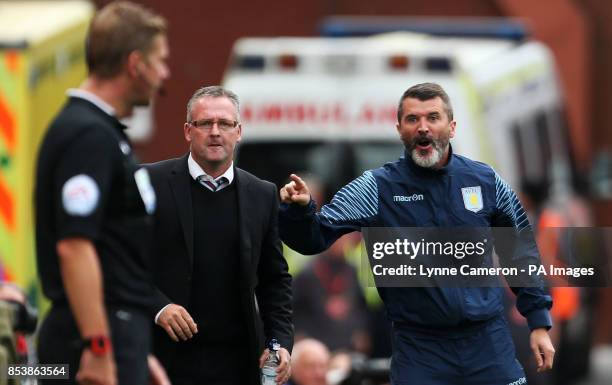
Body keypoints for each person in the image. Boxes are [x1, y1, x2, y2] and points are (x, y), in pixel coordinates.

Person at [279, 83, 555, 385]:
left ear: (451, 127)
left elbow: (521, 251)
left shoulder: (484, 180)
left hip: (487, 342)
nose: (423, 127)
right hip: (420, 348)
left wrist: (539, 322)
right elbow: (314, 237)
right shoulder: (376, 187)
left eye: (432, 117)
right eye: (413, 119)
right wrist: (300, 210)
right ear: (399, 129)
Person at [34, 2, 170, 384]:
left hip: (114, 337)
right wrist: (100, 350)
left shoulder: (103, 133)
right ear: (135, 64)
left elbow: (115, 252)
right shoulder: (88, 136)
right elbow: (74, 246)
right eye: (160, 61)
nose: (165, 74)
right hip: (86, 347)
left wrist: (135, 352)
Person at [145, 85, 293, 385]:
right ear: (188, 131)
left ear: (238, 132)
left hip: (237, 363)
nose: (215, 132)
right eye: (205, 123)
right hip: (164, 359)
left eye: (225, 124)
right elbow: (123, 264)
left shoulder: (262, 194)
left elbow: (274, 281)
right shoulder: (150, 183)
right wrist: (159, 307)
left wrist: (278, 344)